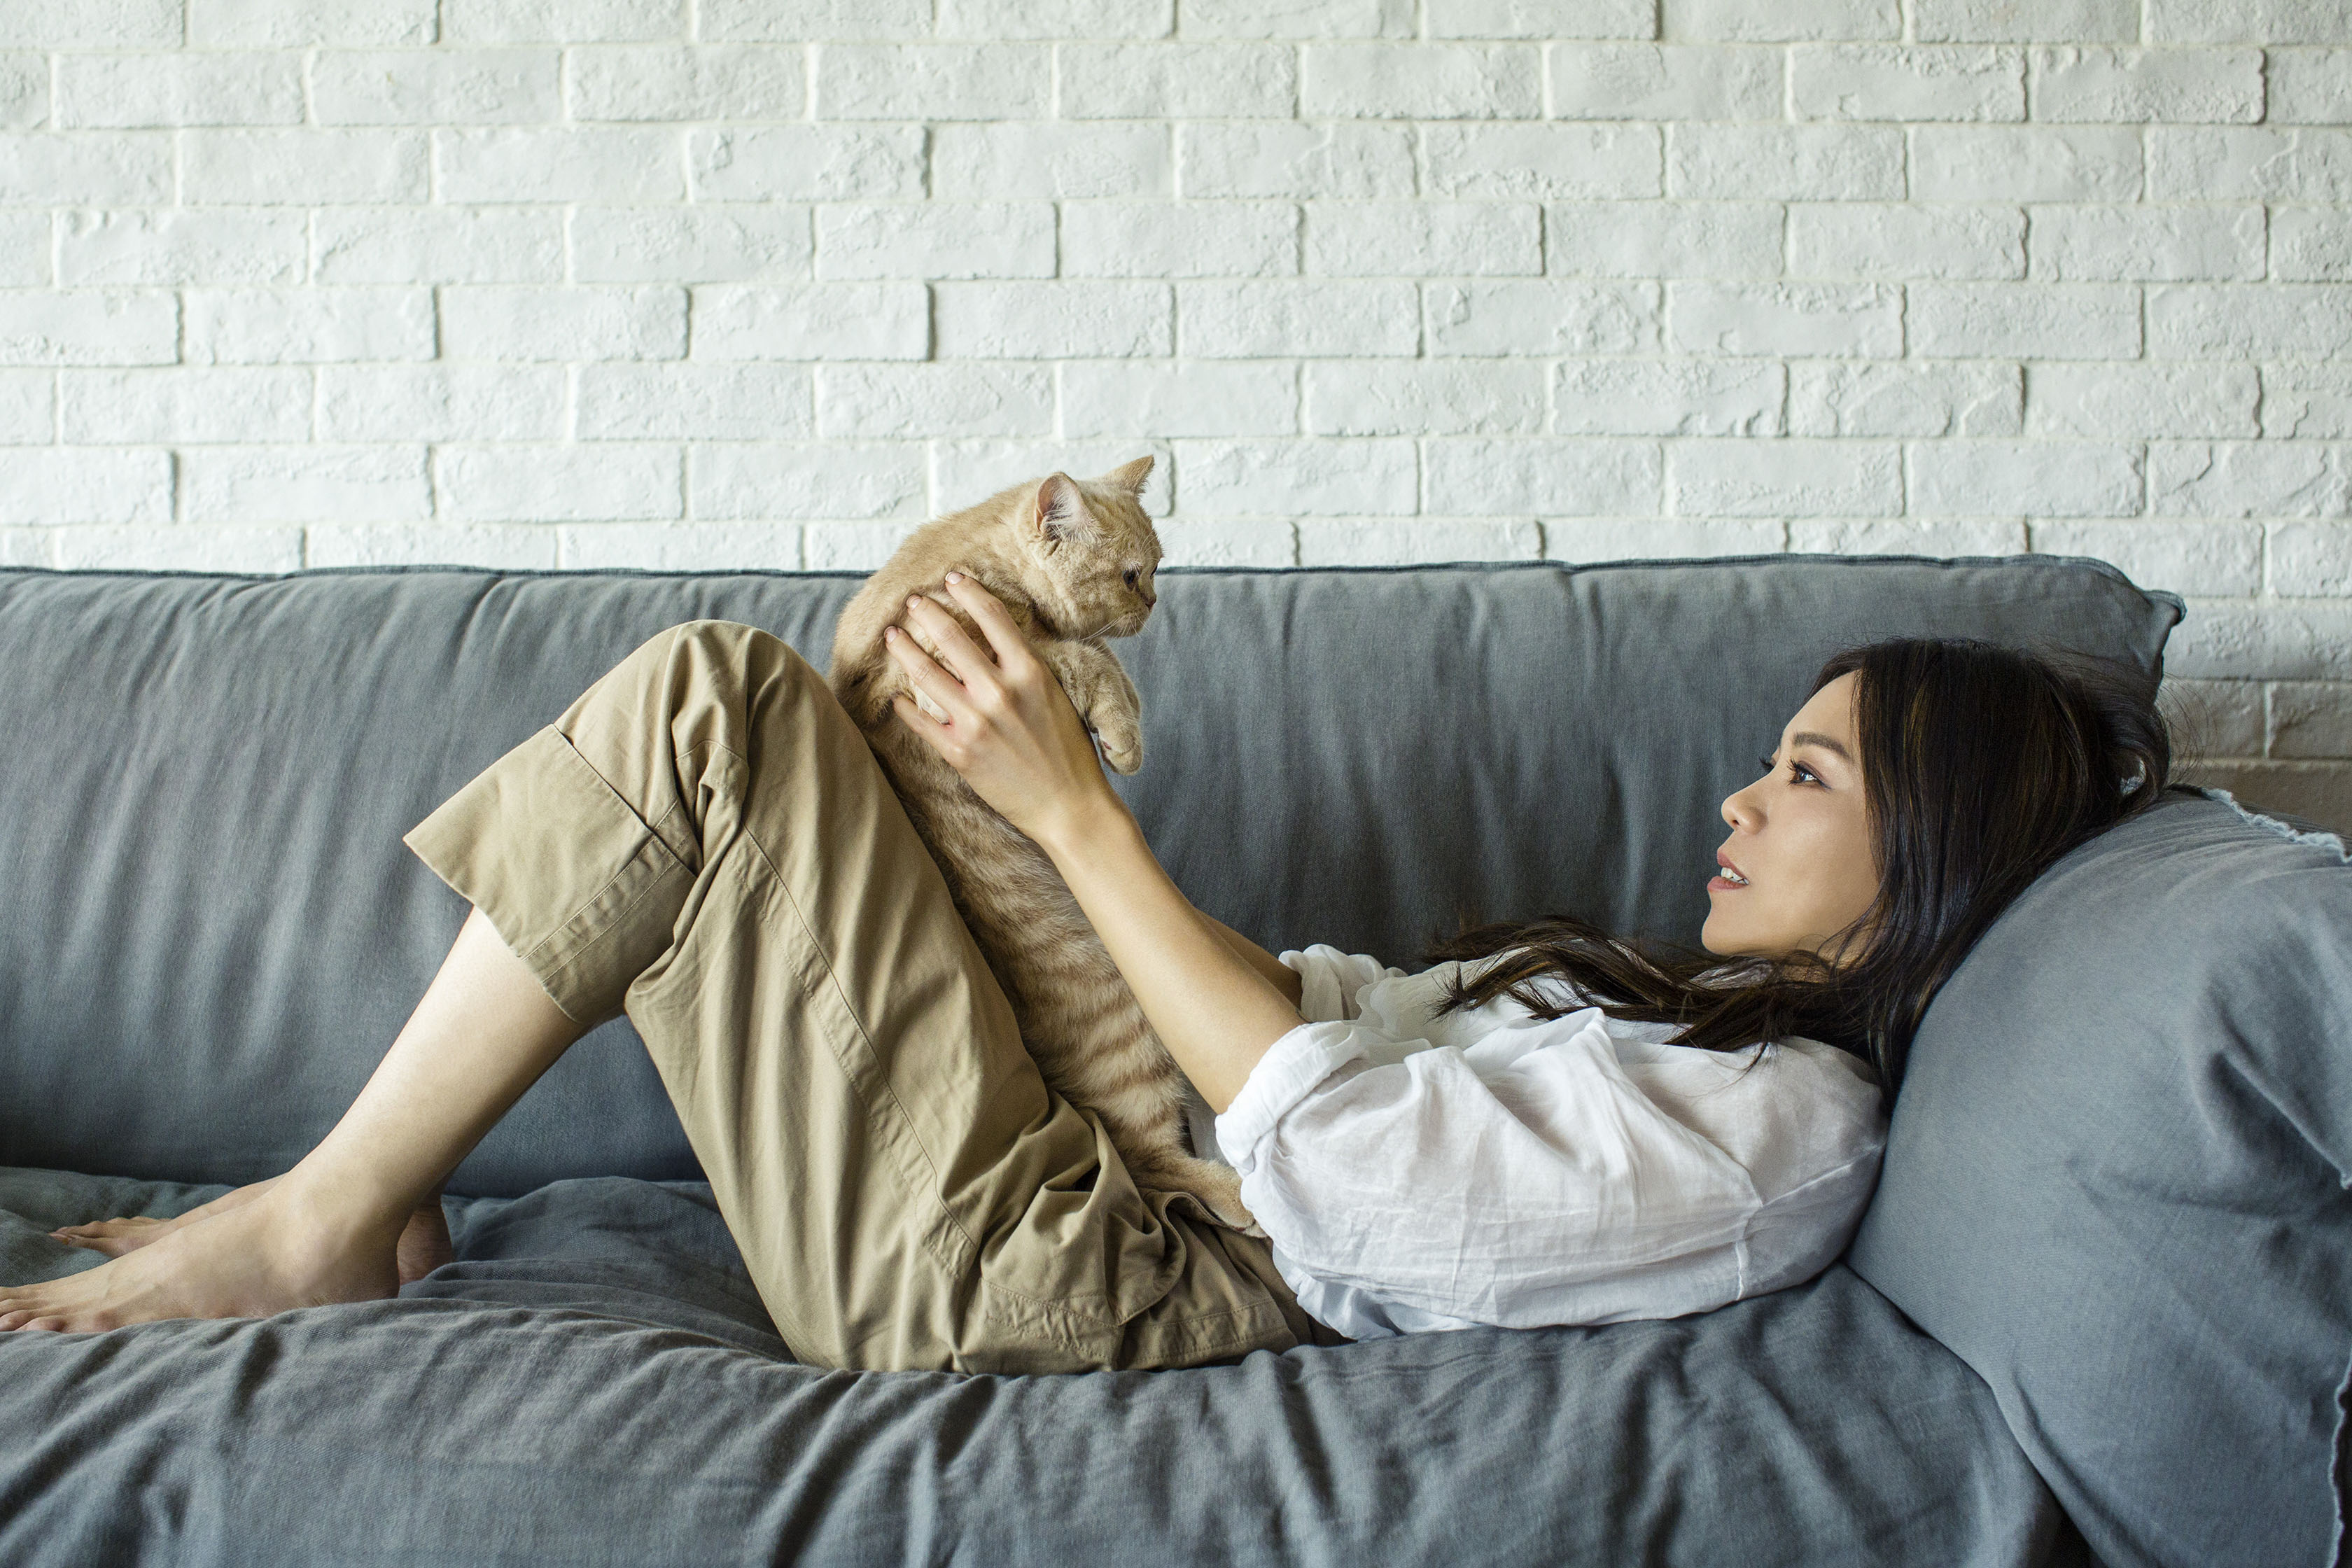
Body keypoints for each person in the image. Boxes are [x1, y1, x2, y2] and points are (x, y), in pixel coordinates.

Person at [1, 574, 2169, 1368]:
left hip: (1097, 1259)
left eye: (1803, 775)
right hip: (1103, 1160)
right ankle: (344, 1202)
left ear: (1937, 847)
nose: (1738, 801)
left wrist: (1078, 824)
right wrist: (1006, 812)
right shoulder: (1693, 1035)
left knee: (704, 713)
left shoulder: (1791, 1124)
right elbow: (1317, 1021)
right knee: (749, 697)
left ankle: (315, 1216)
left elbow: (1367, 1191)